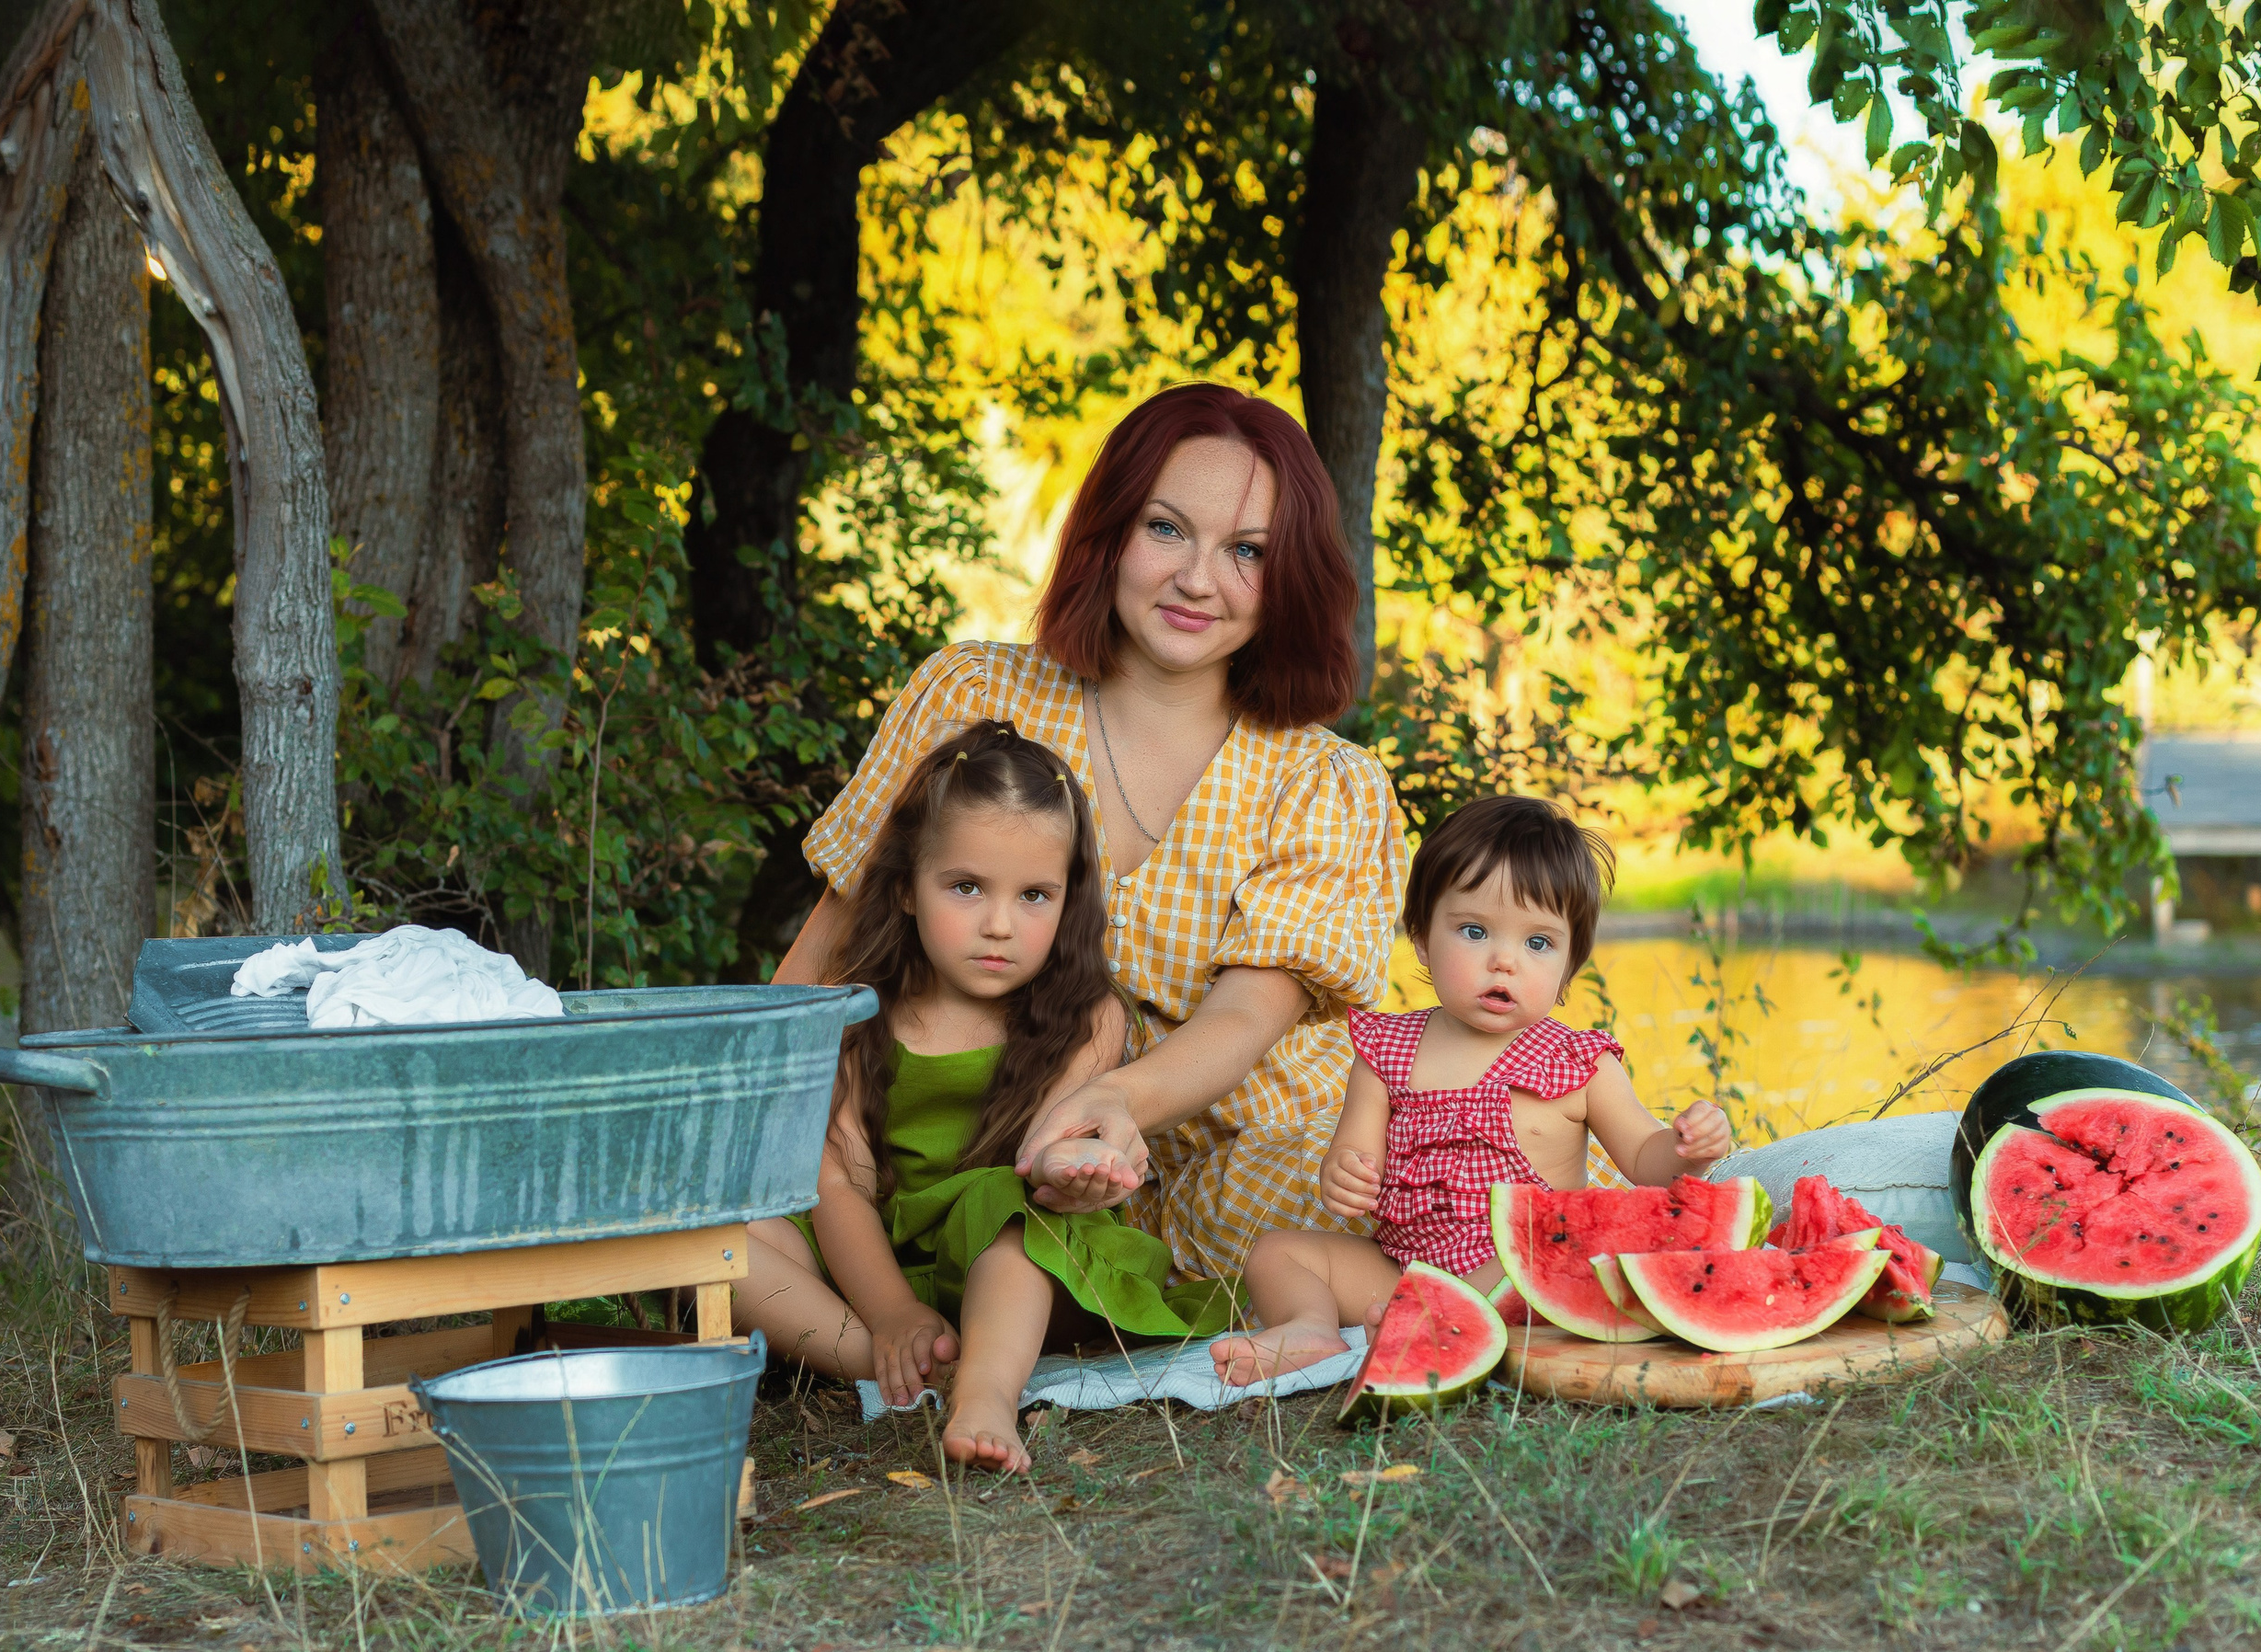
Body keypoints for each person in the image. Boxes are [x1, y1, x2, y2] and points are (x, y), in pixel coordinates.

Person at [777, 383, 1409, 1284]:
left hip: (1243, 1154)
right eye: (1164, 528)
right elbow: (828, 948)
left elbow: (1246, 1015)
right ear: (1108, 531)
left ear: (1290, 576)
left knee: (1455, 1204)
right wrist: (767, 1106)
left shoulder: (1325, 782)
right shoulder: (973, 697)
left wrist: (1111, 1097)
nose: (1197, 578)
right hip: (1000, 1150)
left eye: (1246, 551)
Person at [735, 722, 1237, 1472]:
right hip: (883, 1256)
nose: (1000, 925)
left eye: (1035, 895)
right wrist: (892, 1310)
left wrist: (1079, 1176)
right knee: (730, 1237)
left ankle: (985, 1392)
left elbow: (1046, 1162)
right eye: (966, 887)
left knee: (1005, 1213)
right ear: (907, 888)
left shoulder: (1083, 1016)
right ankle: (884, 1355)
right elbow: (838, 1182)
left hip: (1019, 1252)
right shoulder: (851, 1011)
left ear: (1070, 902)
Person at [1211, 797, 1736, 1382]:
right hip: (1402, 1269)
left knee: (1556, 1258)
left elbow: (1645, 1161)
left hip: (1520, 1271)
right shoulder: (1386, 1050)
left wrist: (1689, 1148)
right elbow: (1355, 1159)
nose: (1502, 961)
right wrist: (1344, 1175)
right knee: (1278, 1253)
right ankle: (1311, 1328)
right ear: (1420, 939)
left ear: (1568, 967)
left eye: (1538, 943)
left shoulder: (1580, 1064)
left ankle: (1425, 1326)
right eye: (1474, 930)